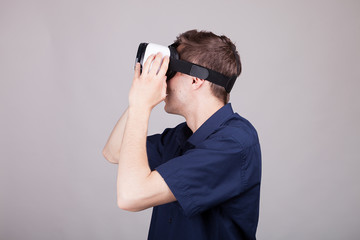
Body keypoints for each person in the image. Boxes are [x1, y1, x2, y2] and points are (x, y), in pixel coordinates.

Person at [102, 30, 261, 240]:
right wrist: (138, 100)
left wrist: (142, 105)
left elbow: (130, 197)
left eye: (169, 71)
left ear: (196, 80)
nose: (163, 79)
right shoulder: (181, 136)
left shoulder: (234, 144)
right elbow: (114, 152)